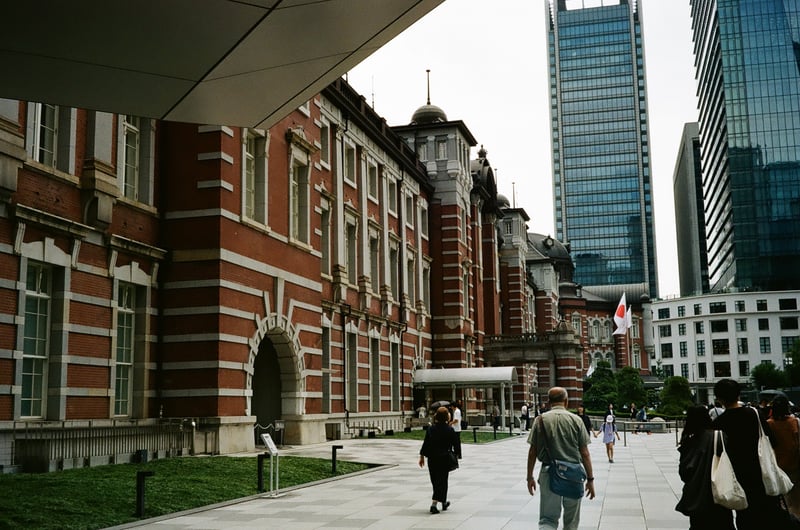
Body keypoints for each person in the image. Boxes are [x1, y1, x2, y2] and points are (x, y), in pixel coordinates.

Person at [711, 378, 788, 529]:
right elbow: (772, 443)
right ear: (739, 395)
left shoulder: (718, 424)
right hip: (762, 475)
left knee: (745, 518)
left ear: (719, 399)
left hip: (738, 479)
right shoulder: (755, 414)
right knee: (767, 516)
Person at [526, 387, 595, 530]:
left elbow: (532, 451)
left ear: (549, 401)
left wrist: (529, 477)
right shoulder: (576, 420)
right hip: (573, 474)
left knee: (548, 519)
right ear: (566, 401)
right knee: (571, 521)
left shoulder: (540, 420)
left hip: (548, 472)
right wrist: (590, 479)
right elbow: (585, 453)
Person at [675, 405, 735, 530]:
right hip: (719, 491)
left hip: (697, 495)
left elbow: (684, 473)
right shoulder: (719, 436)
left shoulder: (689, 441)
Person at [419, 406, 459, 514]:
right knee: (442, 481)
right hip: (444, 458)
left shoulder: (431, 429)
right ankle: (434, 504)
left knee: (435, 480)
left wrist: (422, 456)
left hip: (432, 459)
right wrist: (457, 455)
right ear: (446, 417)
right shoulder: (450, 429)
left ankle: (444, 502)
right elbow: (456, 444)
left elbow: (426, 443)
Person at [767, 396, 800, 517]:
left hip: (777, 464)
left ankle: (786, 518)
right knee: (795, 495)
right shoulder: (794, 421)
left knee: (781, 496)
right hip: (794, 462)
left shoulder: (769, 424)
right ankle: (796, 518)